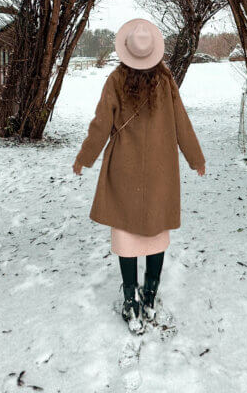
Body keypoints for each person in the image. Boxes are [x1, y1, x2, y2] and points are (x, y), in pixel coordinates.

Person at [72, 18, 206, 332]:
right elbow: (182, 123)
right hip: (161, 171)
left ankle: (131, 301)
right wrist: (195, 158)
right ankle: (149, 298)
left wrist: (84, 158)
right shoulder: (166, 79)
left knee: (126, 238)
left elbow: (100, 124)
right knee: (156, 234)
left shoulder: (116, 79)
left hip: (124, 170)